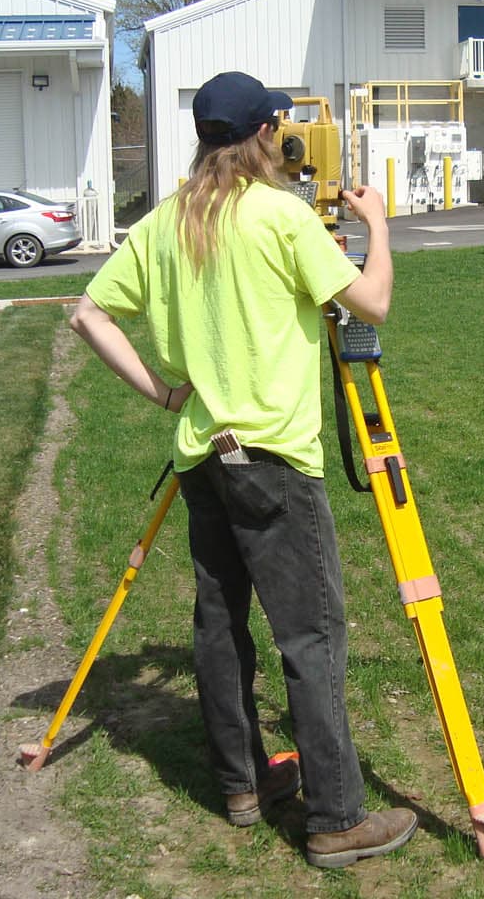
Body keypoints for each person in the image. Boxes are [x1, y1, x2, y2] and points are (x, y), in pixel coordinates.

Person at [69, 71, 416, 869]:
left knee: (221, 629)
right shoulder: (282, 218)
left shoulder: (163, 224)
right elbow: (373, 304)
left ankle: (241, 785)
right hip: (277, 462)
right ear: (266, 134)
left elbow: (87, 313)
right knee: (312, 635)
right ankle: (335, 818)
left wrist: (163, 393)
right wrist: (378, 230)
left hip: (205, 459)